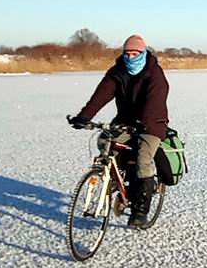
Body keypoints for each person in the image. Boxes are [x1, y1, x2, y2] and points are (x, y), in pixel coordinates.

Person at [67, 34, 169, 228]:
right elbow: (101, 94)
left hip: (152, 123)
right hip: (124, 121)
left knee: (143, 159)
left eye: (134, 53)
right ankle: (117, 179)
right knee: (105, 141)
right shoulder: (117, 71)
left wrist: (145, 122)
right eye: (127, 54)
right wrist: (84, 117)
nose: (130, 58)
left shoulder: (154, 73)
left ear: (143, 53)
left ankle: (140, 209)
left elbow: (155, 101)